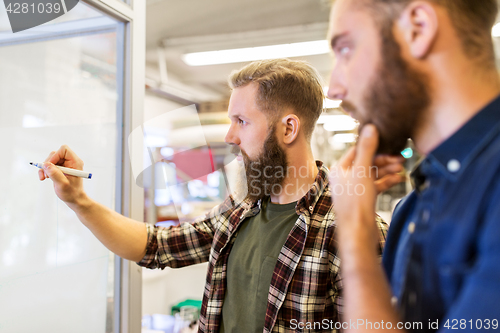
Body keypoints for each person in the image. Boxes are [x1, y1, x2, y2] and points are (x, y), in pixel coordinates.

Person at [38, 58, 399, 332]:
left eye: (241, 121)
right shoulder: (240, 209)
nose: (229, 136)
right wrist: (78, 201)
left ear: (289, 128)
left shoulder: (353, 230)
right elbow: (157, 246)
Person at [327, 0, 500, 331]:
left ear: (418, 28)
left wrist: (355, 239)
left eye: (346, 49)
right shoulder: (412, 208)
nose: (335, 89)